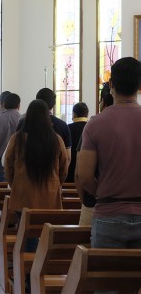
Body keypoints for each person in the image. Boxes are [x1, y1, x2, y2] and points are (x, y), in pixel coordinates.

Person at [78, 57, 141, 249]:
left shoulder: (96, 123)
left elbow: (85, 176)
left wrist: (105, 193)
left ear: (111, 84)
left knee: (105, 278)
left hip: (108, 215)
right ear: (139, 85)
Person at [5, 99, 68, 213]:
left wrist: (15, 183)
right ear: (47, 117)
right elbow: (64, 168)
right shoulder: (56, 139)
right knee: (47, 229)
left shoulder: (17, 138)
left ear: (28, 116)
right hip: (50, 195)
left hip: (23, 194)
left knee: (24, 229)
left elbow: (8, 166)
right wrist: (56, 183)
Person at [75, 83, 113, 225]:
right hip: (134, 207)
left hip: (95, 203)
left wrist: (91, 198)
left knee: (86, 246)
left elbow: (81, 175)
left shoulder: (93, 125)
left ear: (103, 101)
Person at [17, 88, 72, 165]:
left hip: (24, 174)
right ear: (53, 104)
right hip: (52, 174)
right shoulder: (62, 125)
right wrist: (58, 176)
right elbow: (67, 157)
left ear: (37, 101)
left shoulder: (23, 123)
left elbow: (14, 153)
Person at [65, 102, 88, 182]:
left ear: (74, 114)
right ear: (86, 114)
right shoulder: (90, 127)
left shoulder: (68, 128)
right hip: (87, 170)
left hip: (70, 170)